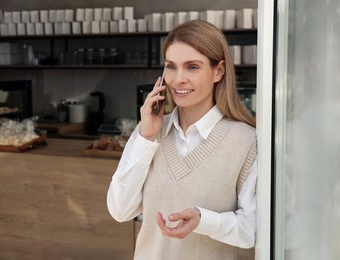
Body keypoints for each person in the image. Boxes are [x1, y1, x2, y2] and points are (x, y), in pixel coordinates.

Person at [107, 20, 257, 260]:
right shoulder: (147, 133)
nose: (178, 79)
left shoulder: (247, 142)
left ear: (218, 71)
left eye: (192, 67)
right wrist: (146, 138)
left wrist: (203, 220)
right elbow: (119, 210)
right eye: (171, 66)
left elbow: (252, 229)